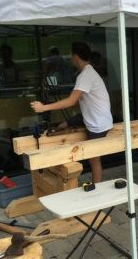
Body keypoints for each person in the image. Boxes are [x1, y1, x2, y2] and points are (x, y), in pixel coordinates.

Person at [31, 42, 113, 183]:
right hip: (94, 116)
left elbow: (70, 101)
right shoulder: (88, 72)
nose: (69, 57)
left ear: (76, 56)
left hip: (98, 123)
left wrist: (44, 107)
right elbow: (75, 101)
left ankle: (97, 190)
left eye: (70, 54)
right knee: (63, 124)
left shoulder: (85, 75)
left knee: (94, 159)